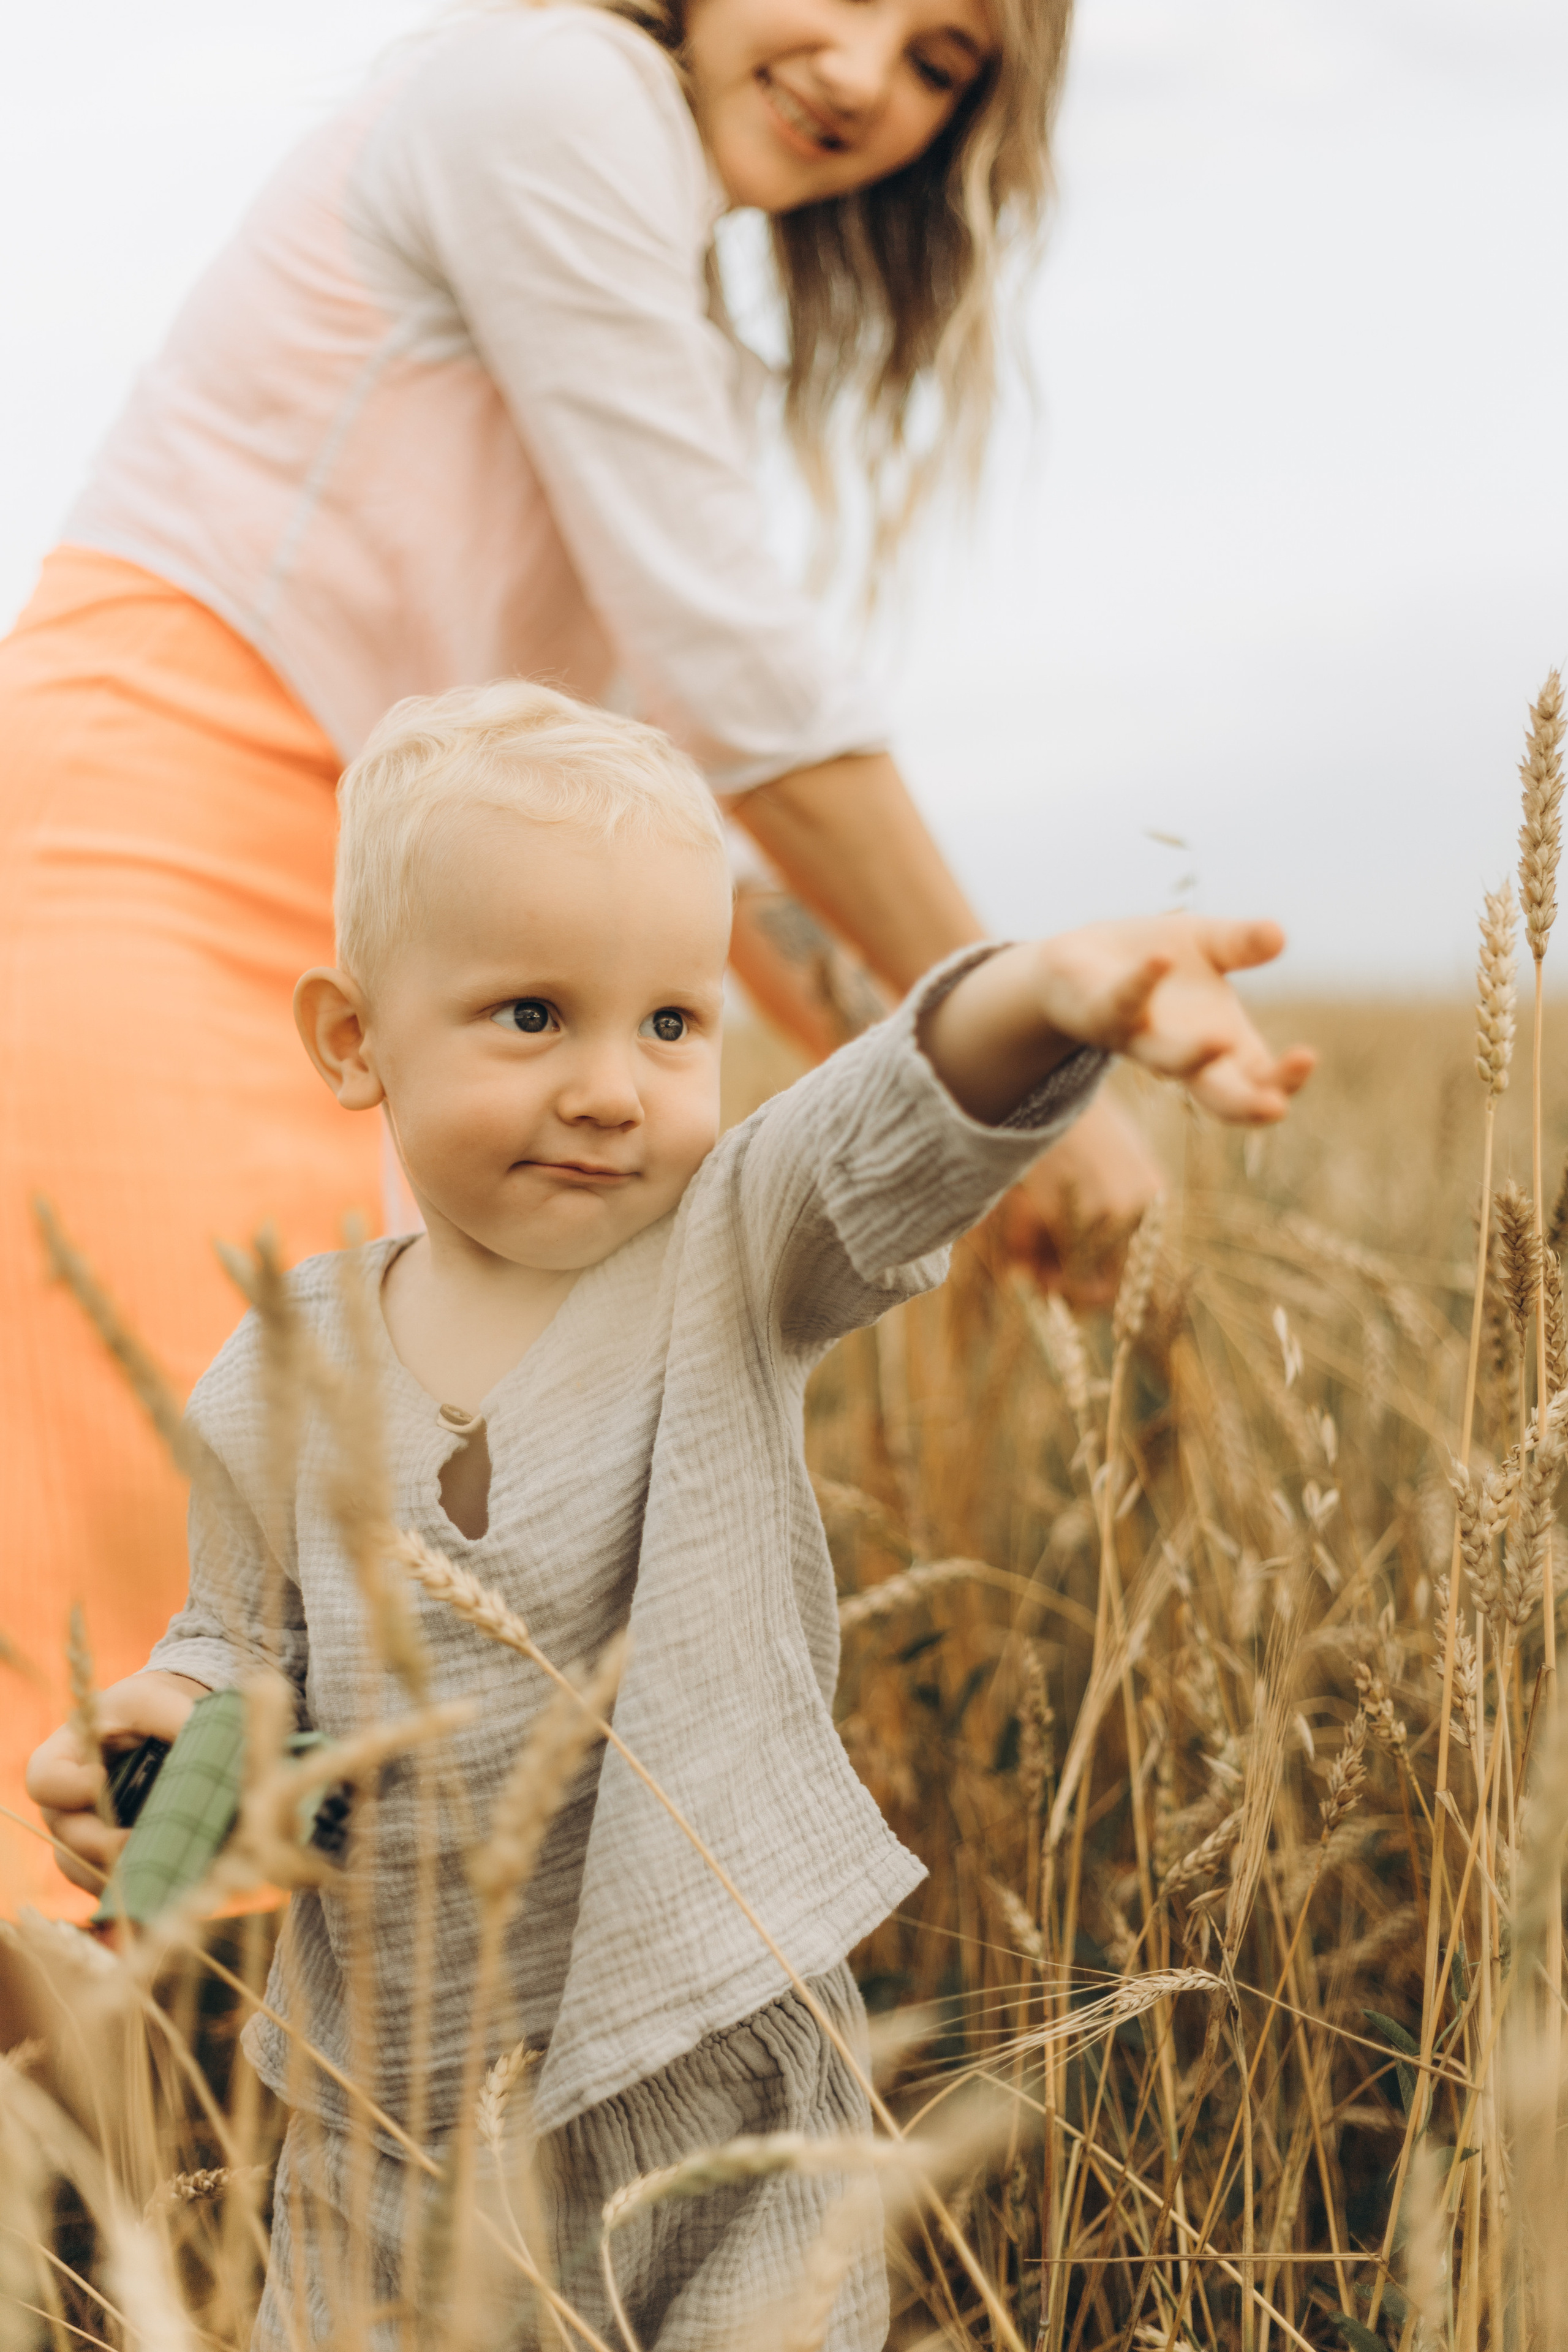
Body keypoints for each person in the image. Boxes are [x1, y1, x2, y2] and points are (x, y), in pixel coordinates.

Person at [0, 0, 1161, 1917]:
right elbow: (742, 671)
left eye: (944, 60)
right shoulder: (554, 92)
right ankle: (106, 2187)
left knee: (253, 1668)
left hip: (371, 935)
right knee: (122, 1587)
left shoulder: (648, 252)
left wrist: (929, 1074)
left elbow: (677, 794)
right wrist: (1020, 1036)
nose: (868, 72)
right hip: (144, 842)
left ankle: (154, 2197)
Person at [27, 683, 1311, 2346]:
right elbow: (240, 1651)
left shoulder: (733, 1252)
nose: (615, 1089)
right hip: (390, 2119)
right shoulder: (277, 1370)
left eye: (671, 1025)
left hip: (721, 2072)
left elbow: (890, 1122)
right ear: (353, 1038)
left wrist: (1048, 993)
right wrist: (167, 1741)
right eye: (531, 1016)